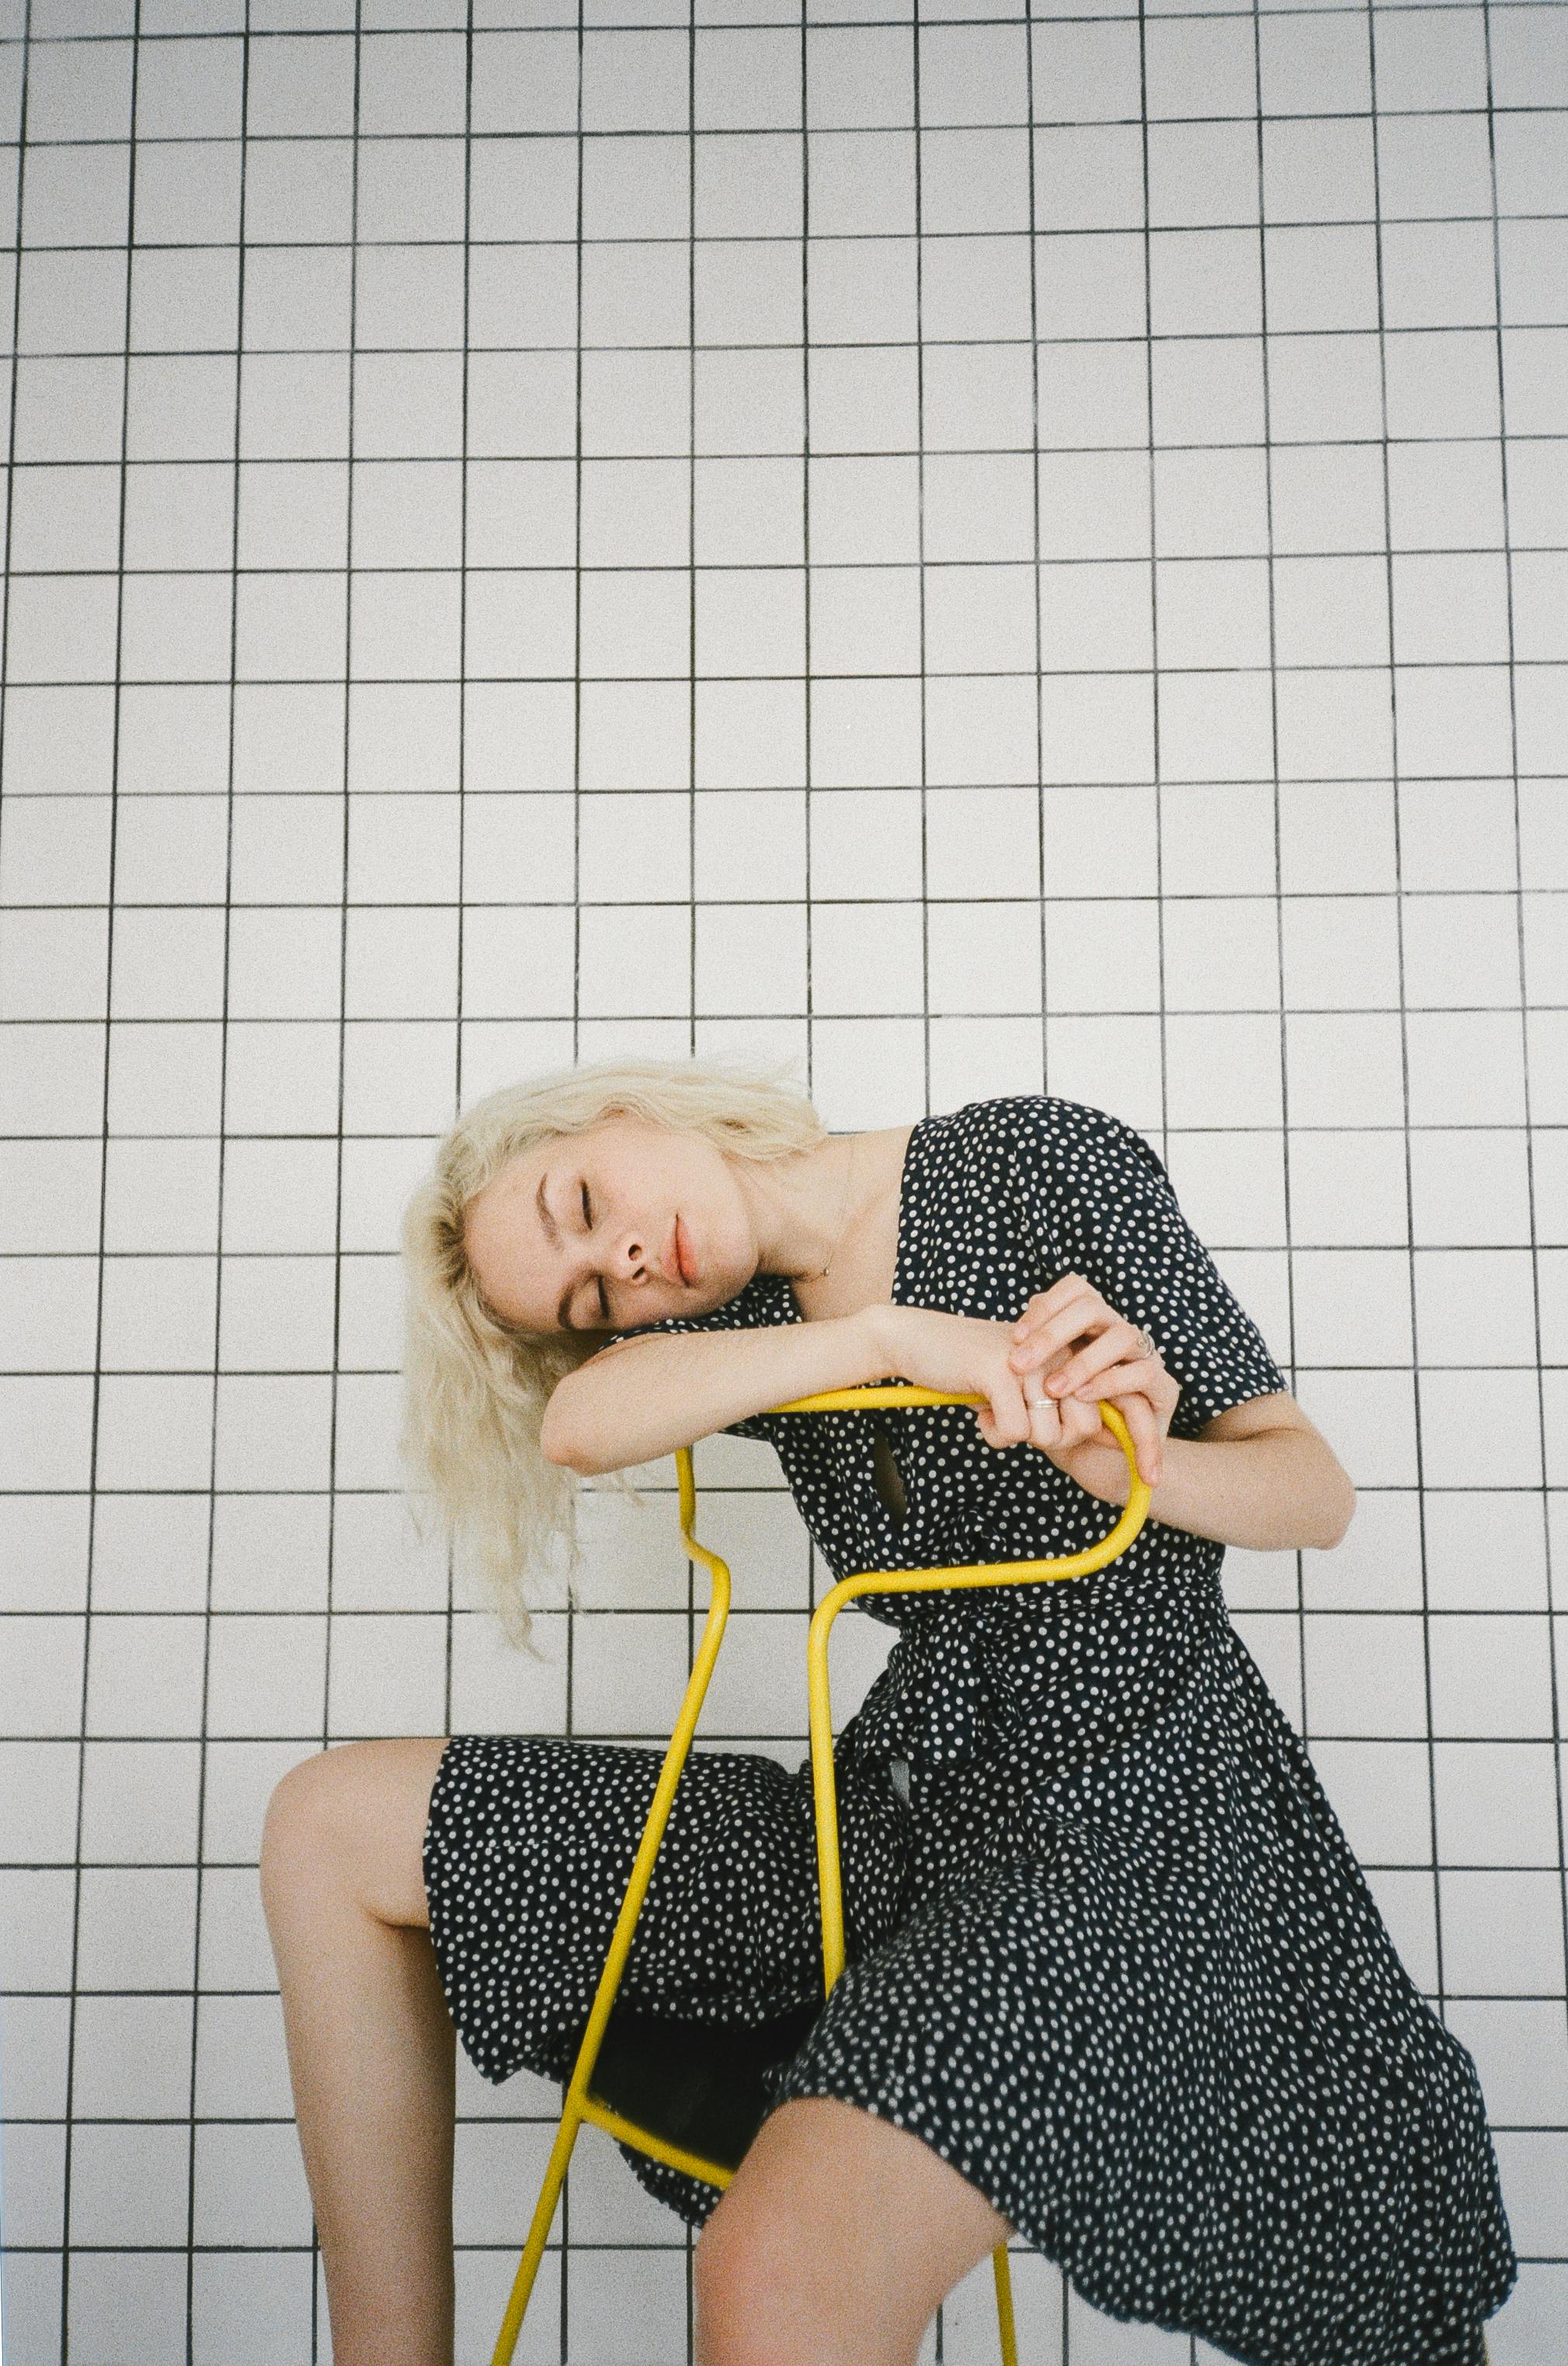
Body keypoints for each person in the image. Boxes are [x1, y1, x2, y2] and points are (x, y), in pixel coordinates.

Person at [259, 1053, 1517, 2366]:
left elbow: (1312, 1491)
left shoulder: (1033, 1163)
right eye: (589, 1290)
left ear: (622, 1108)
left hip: (1130, 1807)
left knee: (780, 2267)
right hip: (900, 1815)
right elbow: (582, 1417)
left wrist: (1119, 1463)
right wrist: (885, 1338)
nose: (625, 1260)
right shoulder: (733, 1310)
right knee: (326, 1826)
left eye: (583, 1201)